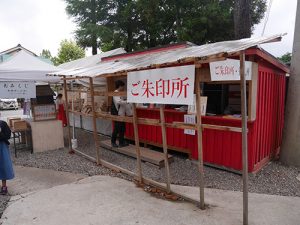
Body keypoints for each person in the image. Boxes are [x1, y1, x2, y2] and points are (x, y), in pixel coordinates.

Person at [111, 80, 130, 148]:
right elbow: (119, 102)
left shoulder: (120, 93)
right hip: (117, 113)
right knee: (117, 128)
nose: (123, 88)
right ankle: (113, 142)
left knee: (122, 128)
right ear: (120, 86)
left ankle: (121, 142)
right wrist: (127, 101)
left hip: (121, 113)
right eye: (123, 86)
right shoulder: (115, 93)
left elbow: (123, 99)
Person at [0, 119, 14, 195]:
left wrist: (0, 133)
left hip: (2, 147)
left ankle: (4, 186)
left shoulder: (3, 124)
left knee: (3, 165)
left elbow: (8, 135)